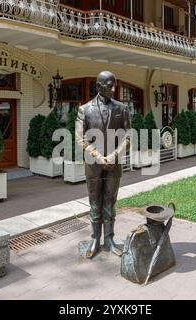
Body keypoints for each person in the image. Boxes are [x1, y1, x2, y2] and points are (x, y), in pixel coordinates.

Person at [75, 71, 131, 259]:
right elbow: (80, 138)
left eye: (115, 85)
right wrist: (99, 156)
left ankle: (109, 239)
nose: (114, 89)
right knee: (94, 202)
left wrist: (115, 154)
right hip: (93, 164)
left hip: (114, 163)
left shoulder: (122, 108)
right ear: (99, 87)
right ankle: (94, 239)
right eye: (110, 86)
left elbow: (129, 135)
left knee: (110, 201)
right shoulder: (85, 109)